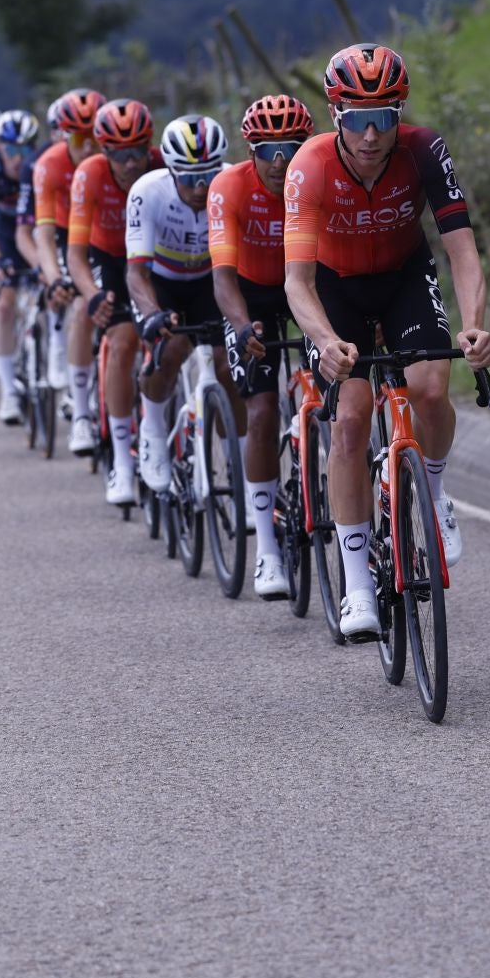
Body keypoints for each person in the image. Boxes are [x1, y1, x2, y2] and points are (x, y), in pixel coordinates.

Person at [281, 44, 490, 637]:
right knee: (350, 418)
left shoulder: (424, 149)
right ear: (334, 115)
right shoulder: (310, 166)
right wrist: (323, 339)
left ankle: (432, 490)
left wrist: (474, 325)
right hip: (334, 287)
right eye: (357, 118)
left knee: (430, 388)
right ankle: (357, 587)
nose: (373, 134)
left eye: (385, 116)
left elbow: (463, 252)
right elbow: (296, 282)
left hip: (404, 275)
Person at [209, 94, 317, 599]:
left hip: (306, 289)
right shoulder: (228, 186)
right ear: (249, 151)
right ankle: (267, 549)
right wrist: (242, 325)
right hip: (249, 296)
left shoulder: (315, 176)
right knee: (263, 406)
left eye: (292, 147)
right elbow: (223, 277)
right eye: (268, 149)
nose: (280, 160)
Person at [126, 116, 234, 494]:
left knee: (227, 363)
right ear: (171, 170)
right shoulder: (147, 191)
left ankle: (233, 454)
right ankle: (153, 434)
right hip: (162, 283)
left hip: (210, 281)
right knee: (168, 350)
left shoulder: (231, 182)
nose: (201, 187)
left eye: (208, 175)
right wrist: (153, 313)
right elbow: (136, 274)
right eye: (189, 178)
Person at [68, 97, 160, 506]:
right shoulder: (89, 174)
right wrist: (90, 296)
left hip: (157, 257)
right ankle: (122, 462)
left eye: (137, 151)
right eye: (119, 155)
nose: (129, 163)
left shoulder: (164, 165)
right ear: (105, 151)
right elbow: (74, 253)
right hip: (109, 258)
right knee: (122, 342)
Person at [32, 88, 105, 453]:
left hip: (105, 236)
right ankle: (79, 413)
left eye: (95, 136)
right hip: (65, 235)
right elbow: (43, 236)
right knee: (79, 306)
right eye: (79, 137)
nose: (89, 146)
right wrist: (54, 276)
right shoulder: (49, 164)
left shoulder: (116, 164)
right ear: (64, 136)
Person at [0, 110, 43, 424]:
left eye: (25, 149)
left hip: (38, 234)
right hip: (3, 237)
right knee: (4, 305)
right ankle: (8, 392)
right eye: (10, 150)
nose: (18, 159)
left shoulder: (42, 169)